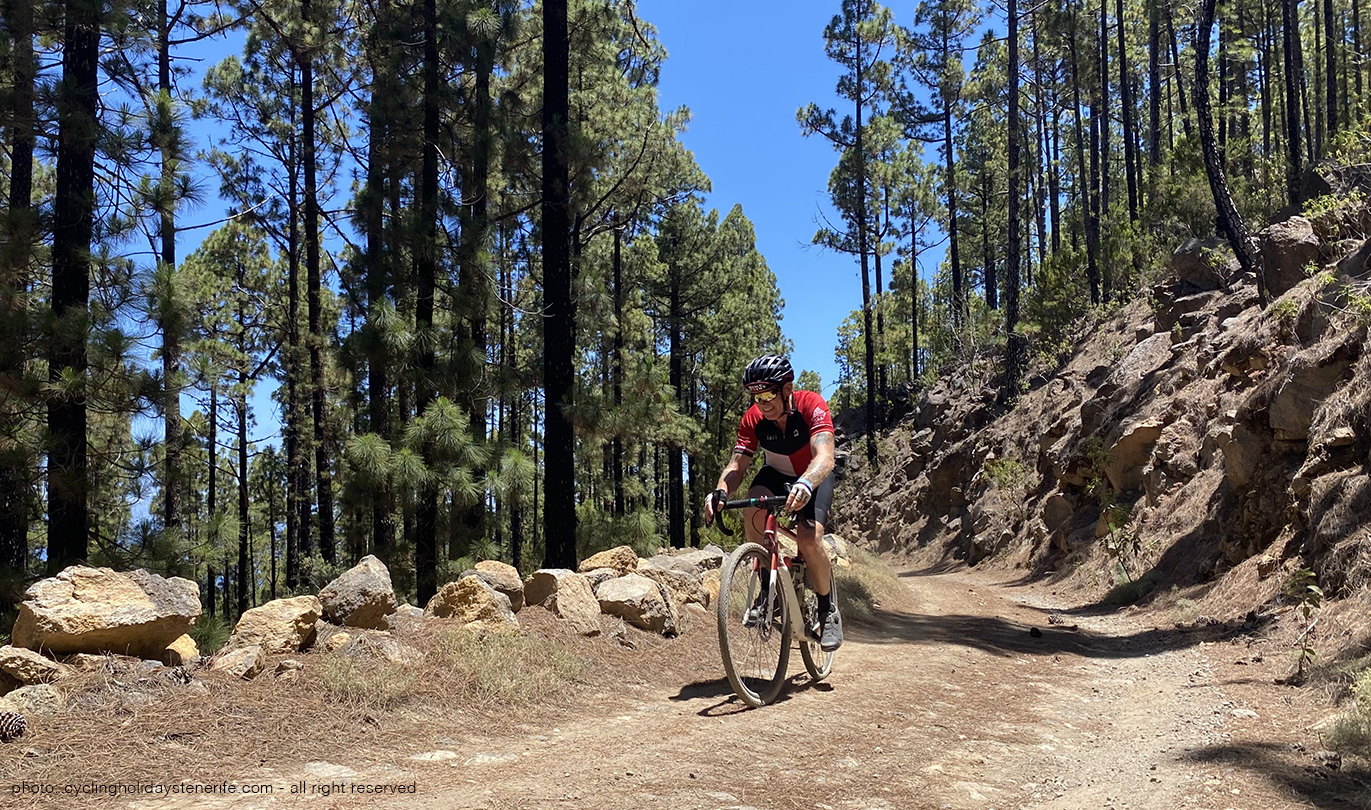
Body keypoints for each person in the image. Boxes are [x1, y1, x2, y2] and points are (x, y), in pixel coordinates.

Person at [702, 354, 842, 651]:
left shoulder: (811, 405)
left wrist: (806, 482)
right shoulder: (753, 419)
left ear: (787, 388)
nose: (762, 402)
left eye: (767, 394)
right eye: (755, 395)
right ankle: (768, 587)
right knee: (753, 509)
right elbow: (737, 465)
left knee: (808, 537)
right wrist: (720, 491)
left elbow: (825, 457)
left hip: (813, 474)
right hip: (776, 473)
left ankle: (827, 609)